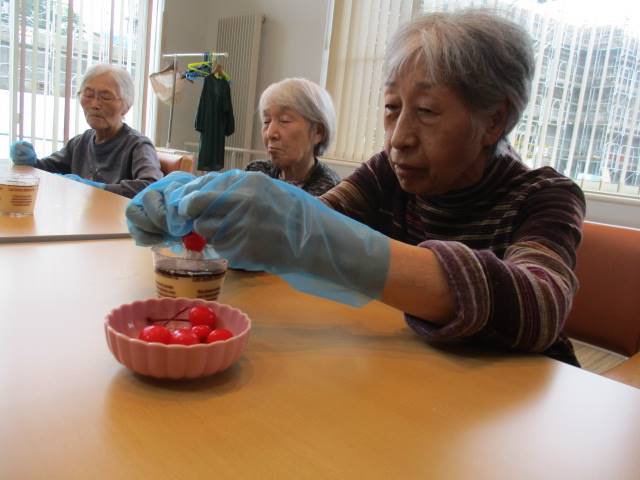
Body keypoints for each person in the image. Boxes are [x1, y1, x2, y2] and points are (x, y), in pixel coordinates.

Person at [125, 9, 586, 366]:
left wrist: (328, 240)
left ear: (494, 121)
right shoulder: (388, 173)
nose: (398, 138)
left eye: (427, 111)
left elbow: (541, 305)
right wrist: (211, 210)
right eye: (391, 107)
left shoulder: (544, 196)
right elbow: (305, 222)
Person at [9, 64, 163, 198]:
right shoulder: (80, 142)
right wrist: (29, 161)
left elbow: (152, 188)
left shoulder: (138, 145)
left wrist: (98, 189)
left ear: (126, 106)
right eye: (88, 95)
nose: (95, 104)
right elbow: (48, 170)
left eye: (106, 97)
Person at [245, 77, 341, 196]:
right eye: (266, 121)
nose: (270, 133)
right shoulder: (256, 173)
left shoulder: (331, 191)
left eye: (284, 120)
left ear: (318, 132)